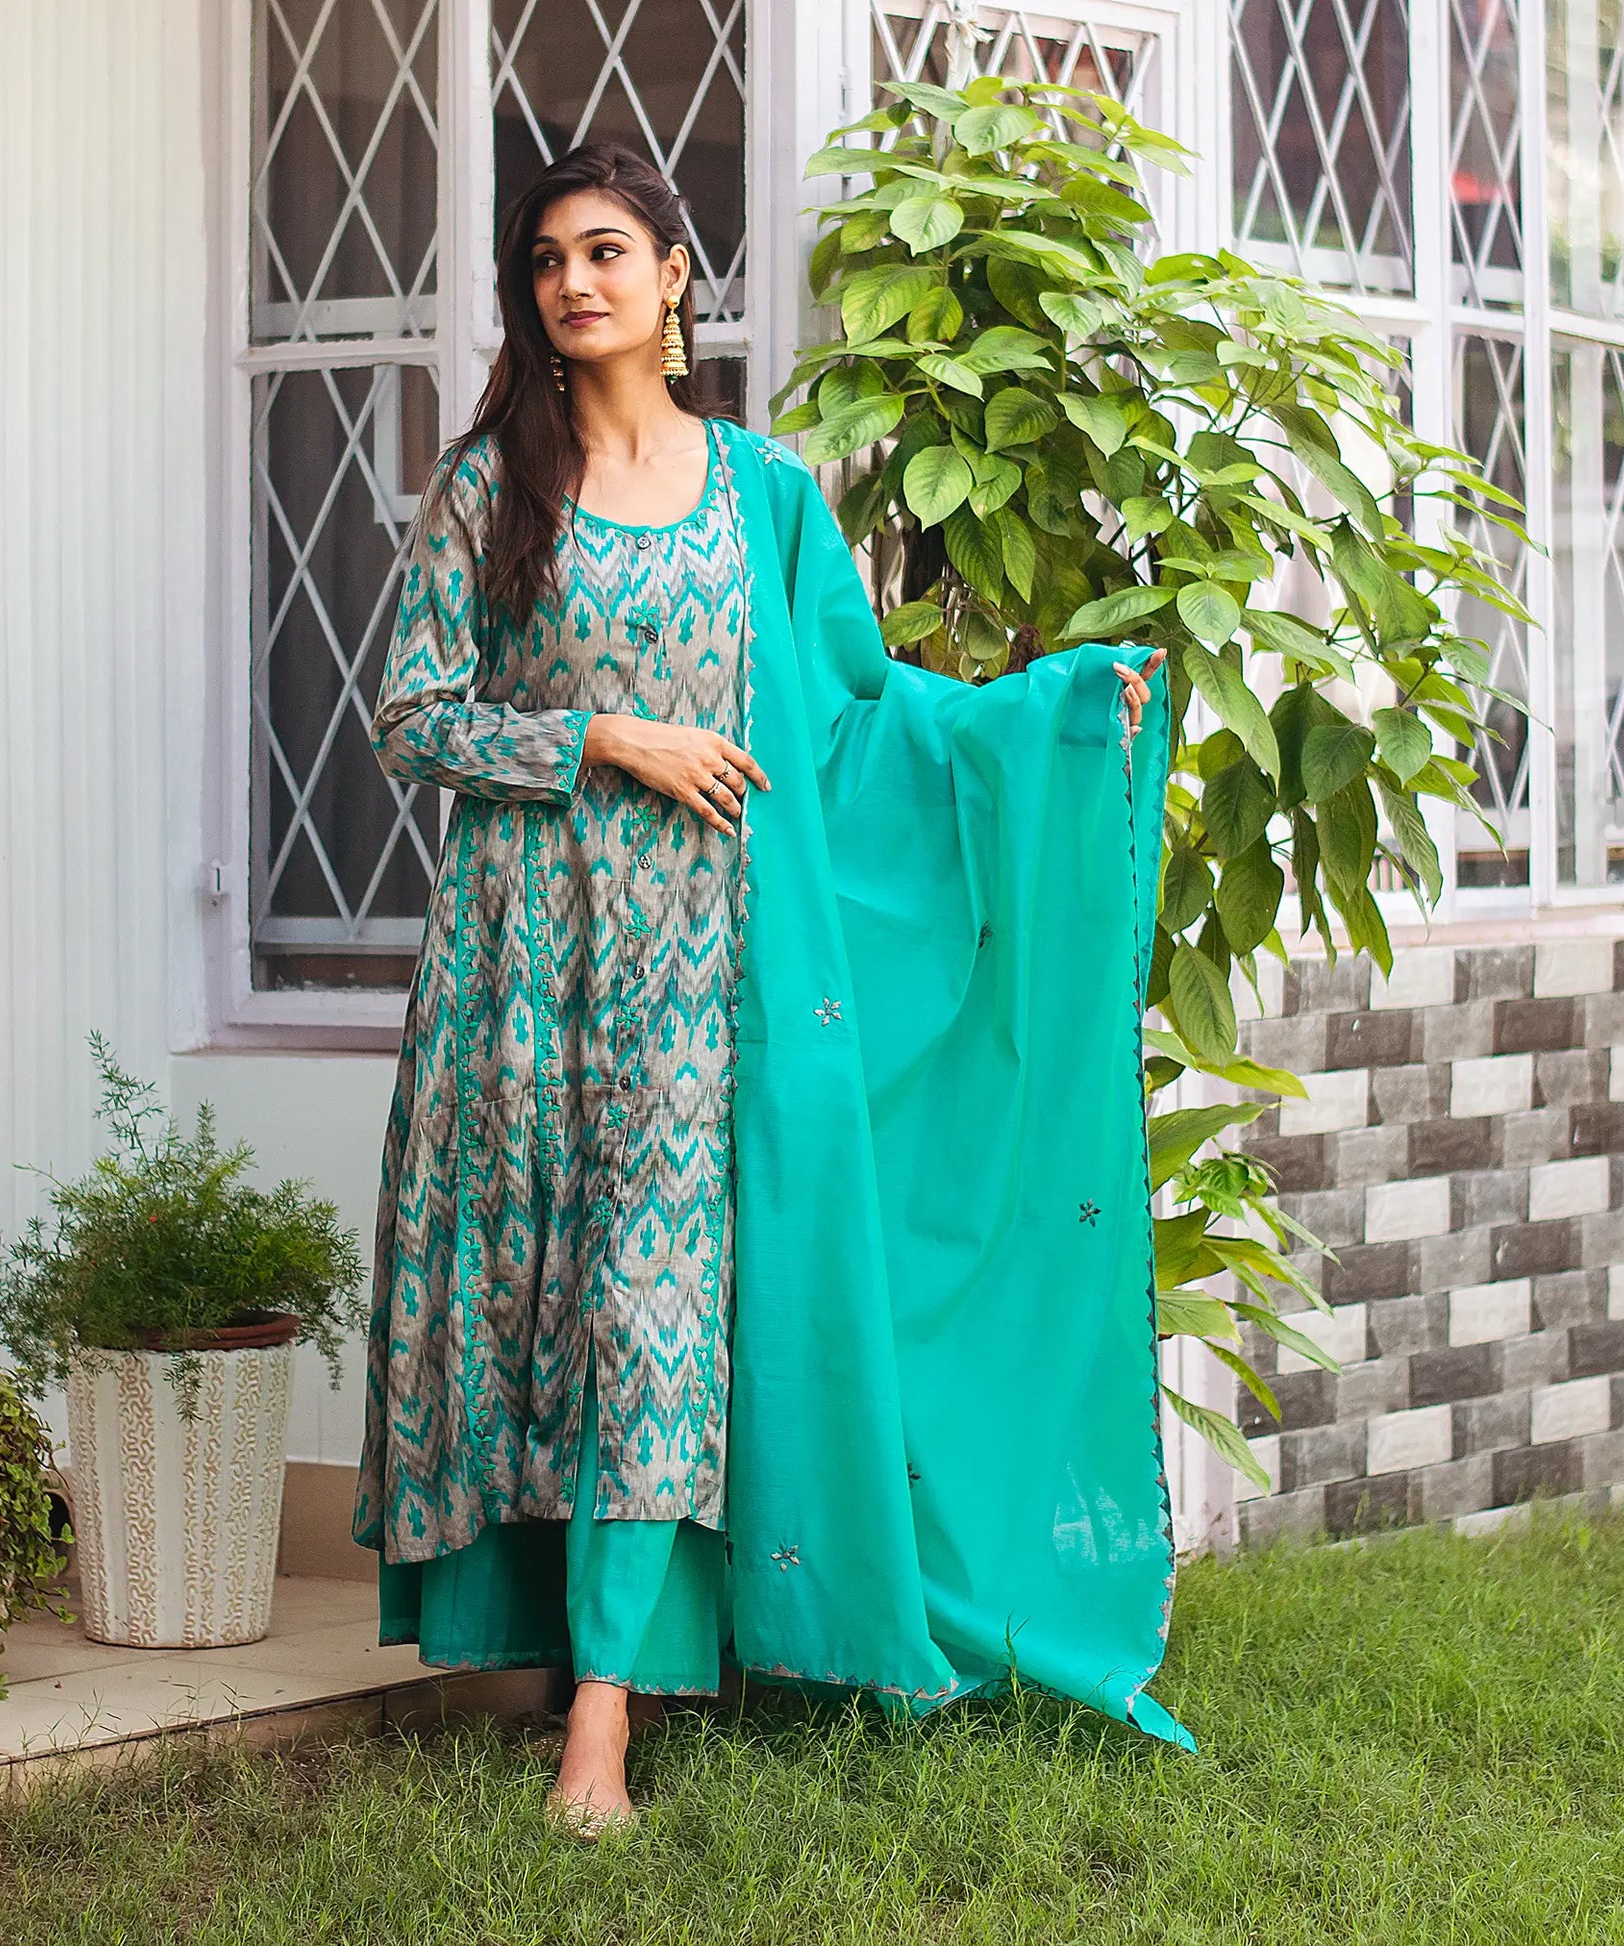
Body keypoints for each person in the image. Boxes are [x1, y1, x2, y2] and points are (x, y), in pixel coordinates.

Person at [353, 142, 1188, 1840]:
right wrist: (599, 734)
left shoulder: (764, 497)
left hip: (702, 979)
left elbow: (859, 718)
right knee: (533, 1300)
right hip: (518, 968)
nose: (571, 282)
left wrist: (1057, 710)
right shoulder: (487, 487)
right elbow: (411, 714)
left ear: (675, 279)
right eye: (543, 261)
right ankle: (546, 1643)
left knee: (650, 1315)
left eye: (606, 251)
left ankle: (604, 1715)